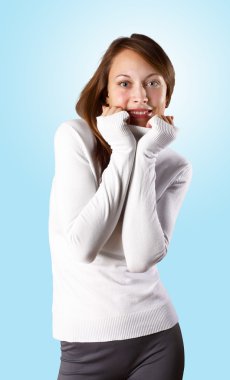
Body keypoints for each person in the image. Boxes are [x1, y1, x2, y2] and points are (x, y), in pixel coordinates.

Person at [48, 33, 193, 380]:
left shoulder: (175, 166)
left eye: (153, 83)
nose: (140, 96)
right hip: (84, 343)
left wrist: (145, 154)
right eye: (125, 83)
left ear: (167, 96)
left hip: (157, 339)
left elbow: (141, 257)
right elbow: (83, 246)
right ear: (106, 93)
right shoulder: (74, 138)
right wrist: (124, 151)